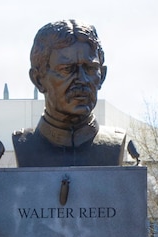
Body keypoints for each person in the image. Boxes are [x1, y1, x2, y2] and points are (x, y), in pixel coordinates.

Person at [11, 20, 133, 167]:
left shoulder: (113, 145)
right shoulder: (24, 146)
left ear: (102, 76)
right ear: (38, 80)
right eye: (67, 69)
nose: (82, 79)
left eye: (90, 68)